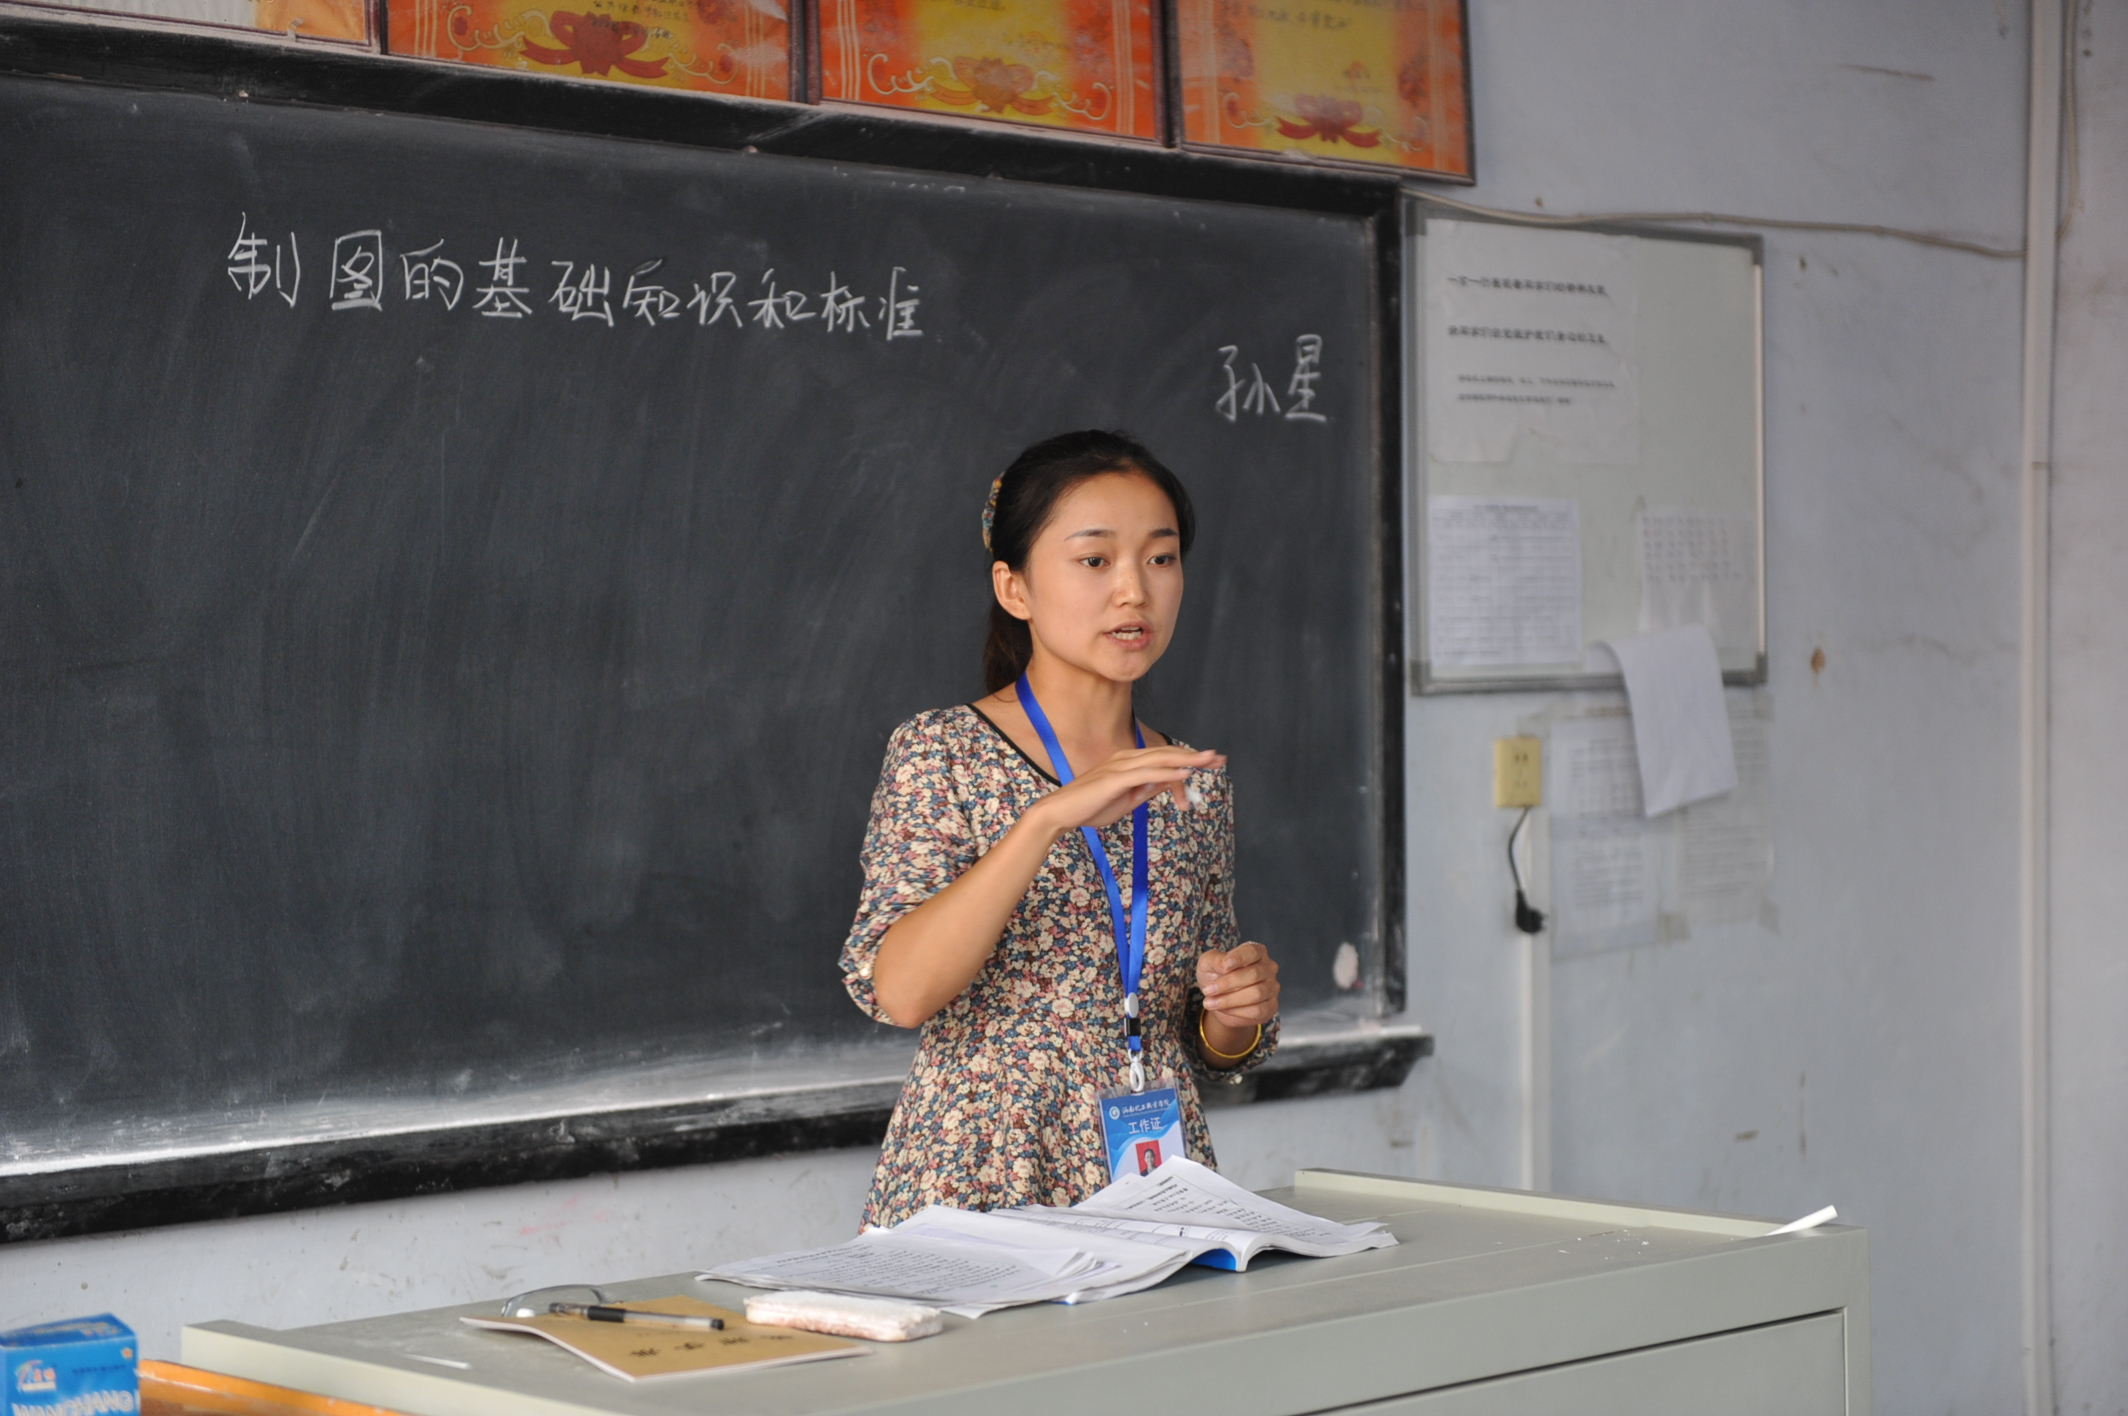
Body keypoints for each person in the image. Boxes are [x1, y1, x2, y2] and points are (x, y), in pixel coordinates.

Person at [840, 430, 1282, 1228]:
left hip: (1157, 1176)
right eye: (1094, 560)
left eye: (1160, 557)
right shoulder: (942, 751)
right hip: (982, 1169)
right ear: (1014, 588)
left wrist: (1233, 1014)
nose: (1134, 591)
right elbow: (900, 992)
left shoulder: (1190, 777)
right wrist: (1046, 818)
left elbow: (1201, 1037)